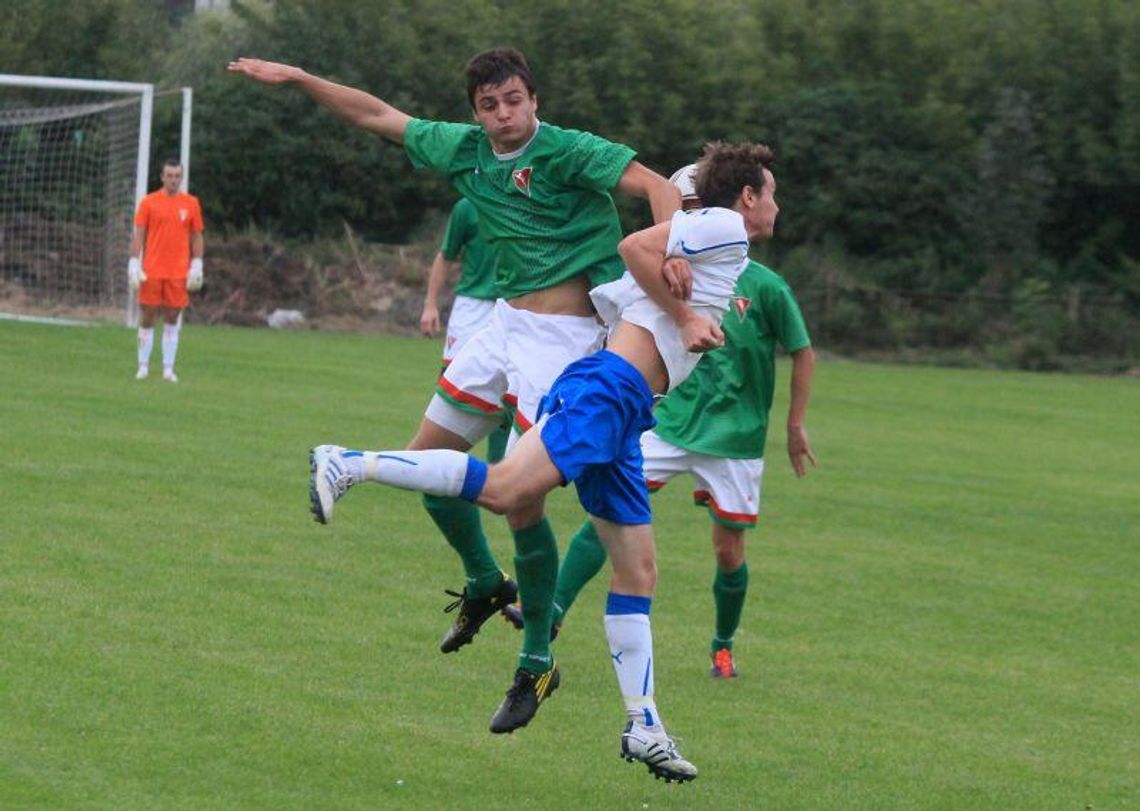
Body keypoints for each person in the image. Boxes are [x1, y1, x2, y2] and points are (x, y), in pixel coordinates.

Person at [228, 49, 680, 721]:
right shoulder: (466, 149)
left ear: (534, 99)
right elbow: (376, 114)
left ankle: (536, 663)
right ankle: (484, 580)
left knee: (519, 503)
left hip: (565, 342)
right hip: (500, 325)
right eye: (489, 105)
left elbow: (658, 186)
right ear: (476, 111)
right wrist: (298, 79)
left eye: (514, 100)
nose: (503, 115)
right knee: (429, 468)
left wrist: (669, 252)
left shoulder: (569, 150)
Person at [307, 142, 779, 782]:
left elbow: (673, 209)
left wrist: (681, 251)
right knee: (505, 490)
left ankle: (643, 725)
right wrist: (686, 316)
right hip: (608, 392)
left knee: (637, 573)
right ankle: (349, 462)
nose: (776, 205)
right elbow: (634, 246)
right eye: (771, 192)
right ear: (747, 197)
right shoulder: (726, 225)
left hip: (626, 407)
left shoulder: (716, 238)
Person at [503, 163, 816, 680]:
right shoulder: (672, 269)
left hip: (734, 434)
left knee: (728, 549)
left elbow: (802, 349)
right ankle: (553, 609)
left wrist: (795, 424)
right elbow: (632, 274)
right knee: (608, 514)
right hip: (669, 421)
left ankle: (722, 647)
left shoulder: (766, 286)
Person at [419, 197, 509, 463]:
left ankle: (500, 470)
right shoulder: (467, 206)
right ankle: (434, 466)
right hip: (472, 309)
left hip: (514, 306)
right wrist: (430, 305)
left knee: (509, 391)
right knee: (453, 387)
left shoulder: (529, 195)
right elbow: (446, 255)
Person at [129, 158, 204, 383]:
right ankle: (143, 366)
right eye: (169, 176)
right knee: (148, 316)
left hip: (178, 272)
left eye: (177, 176)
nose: (173, 180)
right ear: (162, 177)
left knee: (172, 317)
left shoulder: (191, 203)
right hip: (152, 270)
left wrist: (197, 263)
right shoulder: (148, 202)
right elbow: (139, 235)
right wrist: (133, 261)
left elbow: (197, 236)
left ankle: (168, 369)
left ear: (181, 177)